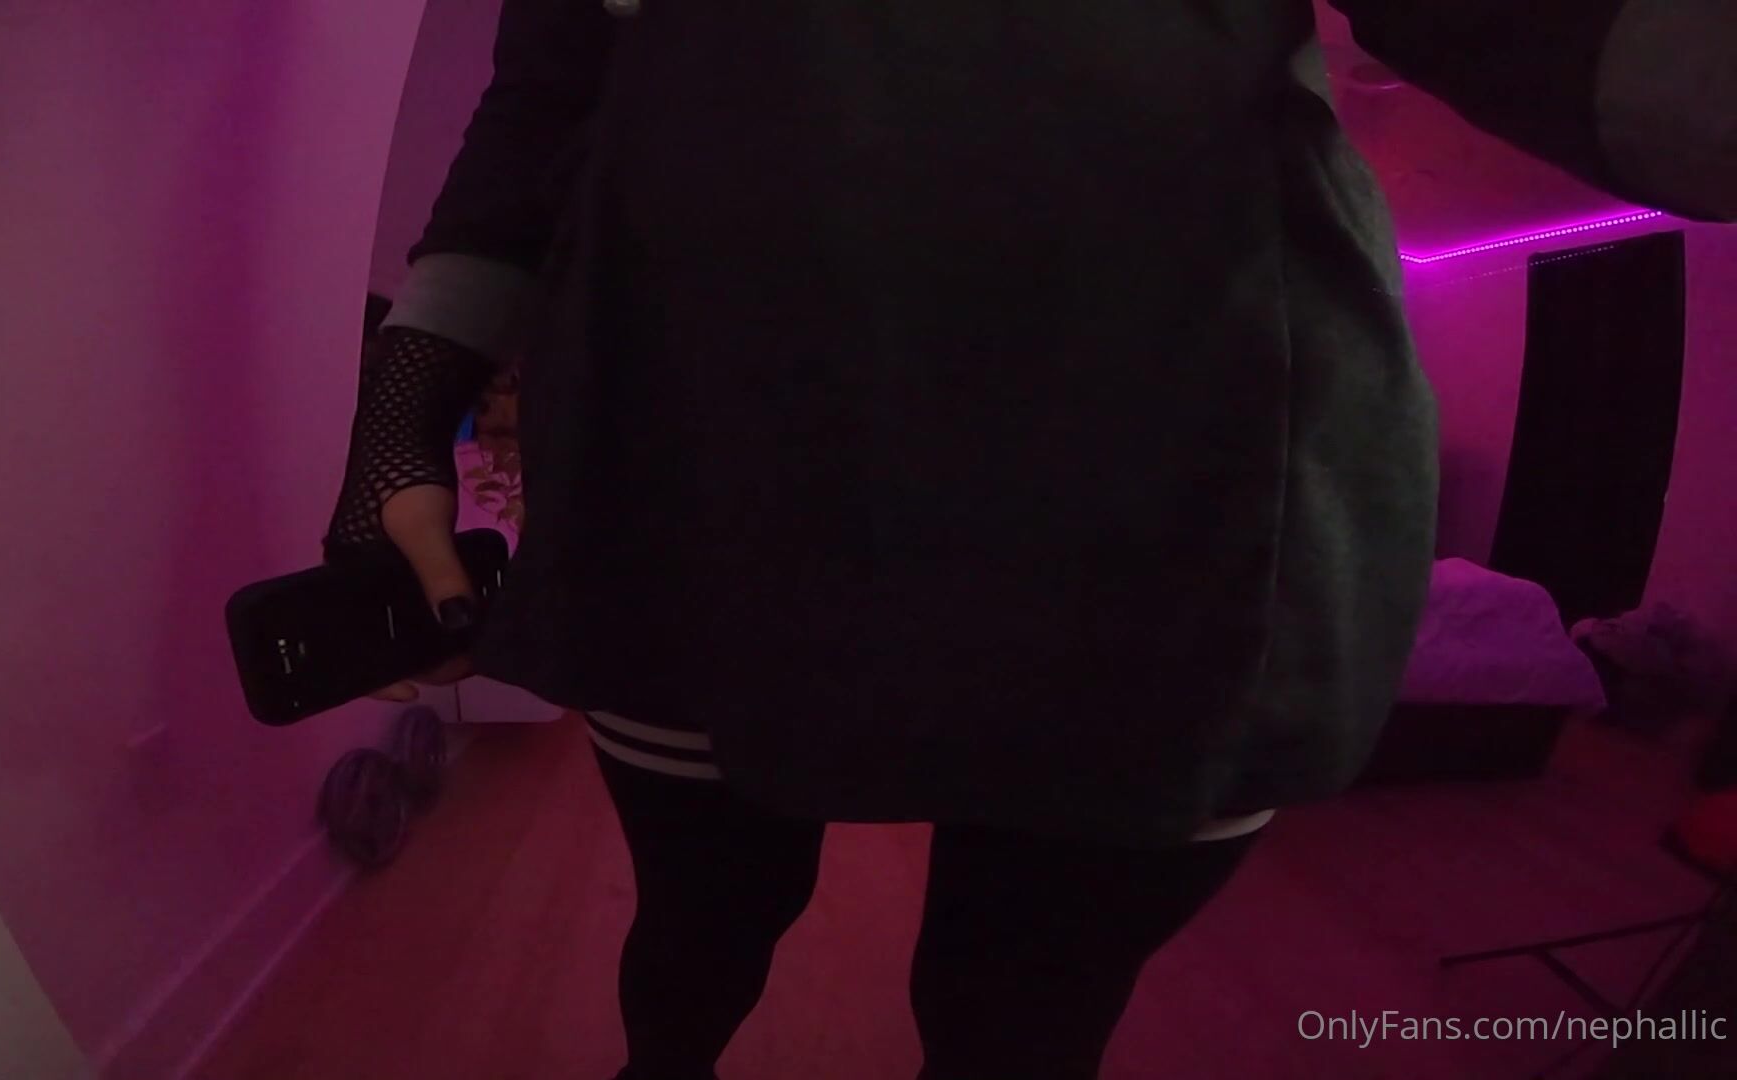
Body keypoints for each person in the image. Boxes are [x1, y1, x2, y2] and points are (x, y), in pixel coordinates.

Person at [323, 2, 1735, 1077]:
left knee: (1021, 1026)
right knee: (695, 949)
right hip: (703, 459)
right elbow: (541, 109)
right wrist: (401, 416)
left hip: (1176, 480)